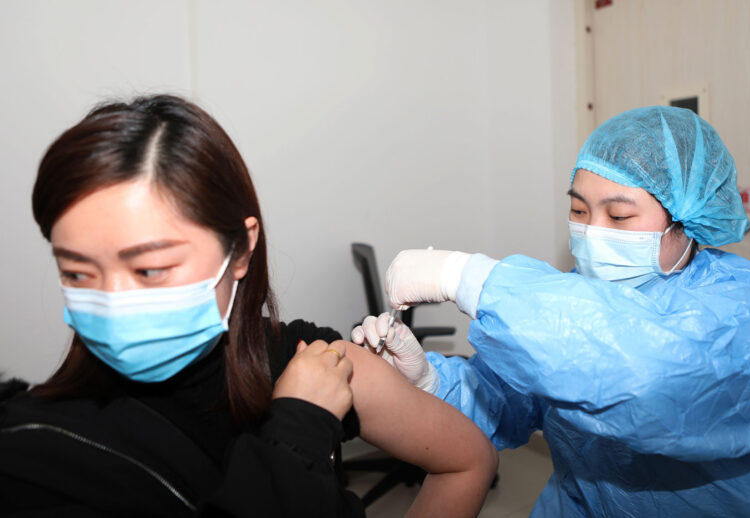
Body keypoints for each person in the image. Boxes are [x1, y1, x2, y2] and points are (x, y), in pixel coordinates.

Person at [0, 94, 498, 517]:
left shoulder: (308, 361)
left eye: (150, 270)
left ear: (239, 249)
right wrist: (298, 428)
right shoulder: (35, 451)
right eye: (78, 273)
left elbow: (468, 460)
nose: (113, 303)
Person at [353, 106, 750, 517]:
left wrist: (468, 277)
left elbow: (647, 376)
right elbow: (502, 400)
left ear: (686, 221)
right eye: (579, 211)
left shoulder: (743, 310)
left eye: (619, 215)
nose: (593, 232)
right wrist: (429, 382)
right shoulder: (573, 300)